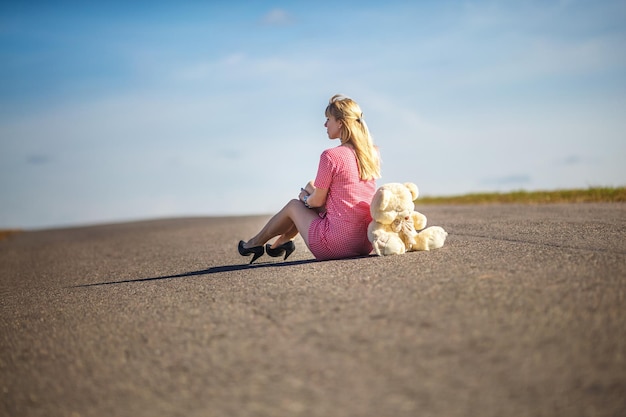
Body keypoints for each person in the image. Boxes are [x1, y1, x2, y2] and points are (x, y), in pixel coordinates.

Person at [238, 94, 381, 263]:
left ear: (340, 122)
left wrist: (304, 198)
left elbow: (316, 202)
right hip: (365, 242)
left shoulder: (331, 156)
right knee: (310, 187)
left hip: (336, 244)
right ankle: (283, 241)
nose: (325, 124)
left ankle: (254, 244)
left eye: (328, 119)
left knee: (294, 205)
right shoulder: (371, 153)